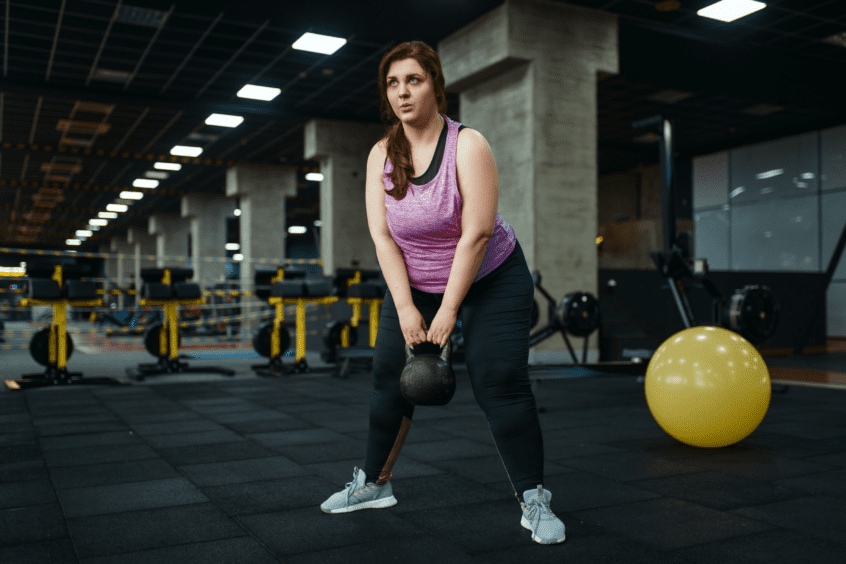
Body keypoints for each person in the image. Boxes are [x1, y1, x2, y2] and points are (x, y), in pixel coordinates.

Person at [320, 41, 565, 545]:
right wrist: (408, 307)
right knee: (389, 377)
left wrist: (449, 311)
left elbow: (475, 234)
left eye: (414, 80)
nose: (403, 92)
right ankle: (374, 484)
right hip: (416, 283)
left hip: (489, 277)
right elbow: (382, 236)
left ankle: (534, 497)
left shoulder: (468, 144)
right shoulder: (381, 155)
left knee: (499, 380)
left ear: (435, 84)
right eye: (393, 83)